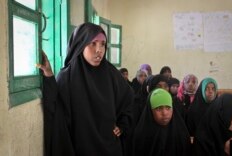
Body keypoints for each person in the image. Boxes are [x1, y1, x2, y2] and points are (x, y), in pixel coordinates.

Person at [38, 22, 134, 156]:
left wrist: (123, 124)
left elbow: (128, 101)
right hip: (81, 148)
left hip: (110, 148)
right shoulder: (68, 77)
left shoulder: (112, 74)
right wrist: (48, 75)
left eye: (103, 44)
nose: (99, 50)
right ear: (80, 45)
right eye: (93, 43)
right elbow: (57, 111)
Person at [132, 88, 191, 156]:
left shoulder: (181, 133)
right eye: (158, 108)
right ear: (150, 111)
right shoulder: (141, 136)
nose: (165, 113)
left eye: (168, 108)